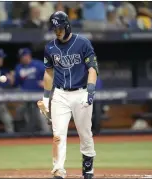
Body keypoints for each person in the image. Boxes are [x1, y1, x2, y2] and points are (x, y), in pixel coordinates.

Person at [41, 11, 98, 179]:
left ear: (66, 26)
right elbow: (49, 73)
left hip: (81, 92)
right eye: (54, 28)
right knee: (58, 134)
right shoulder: (50, 47)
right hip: (60, 94)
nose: (56, 31)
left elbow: (93, 68)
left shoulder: (82, 43)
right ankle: (58, 170)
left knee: (85, 133)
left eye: (59, 27)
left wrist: (91, 90)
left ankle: (87, 168)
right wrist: (46, 98)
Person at [14, 48, 50, 133]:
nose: (22, 58)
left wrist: (46, 82)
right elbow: (16, 82)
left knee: (42, 115)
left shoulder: (38, 65)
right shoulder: (19, 67)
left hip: (39, 94)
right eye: (21, 57)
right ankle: (29, 135)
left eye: (24, 56)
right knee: (25, 114)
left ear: (28, 55)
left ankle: (47, 134)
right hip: (25, 96)